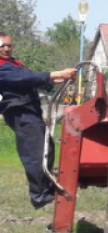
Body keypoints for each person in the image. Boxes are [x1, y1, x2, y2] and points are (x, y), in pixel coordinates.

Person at [0, 33, 76, 209]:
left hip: (31, 111)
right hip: (20, 113)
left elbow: (32, 78)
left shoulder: (14, 64)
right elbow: (25, 78)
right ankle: (39, 196)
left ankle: (48, 189)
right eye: (2, 46)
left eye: (9, 45)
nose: (6, 49)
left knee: (46, 147)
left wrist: (57, 79)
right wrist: (55, 73)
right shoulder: (3, 67)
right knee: (34, 154)